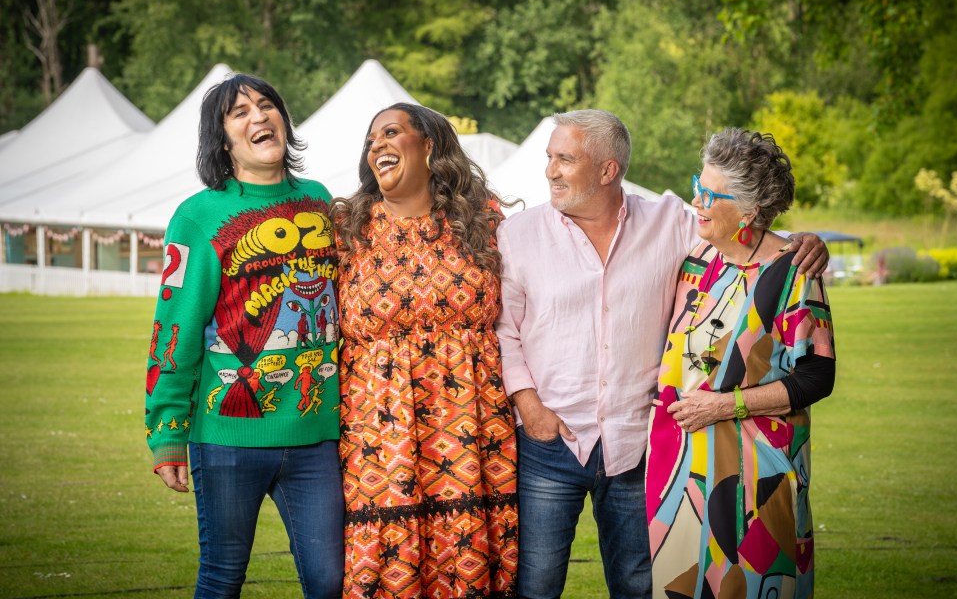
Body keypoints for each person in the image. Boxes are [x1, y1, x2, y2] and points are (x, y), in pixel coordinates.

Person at [494, 110, 827, 599]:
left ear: (608, 170)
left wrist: (806, 242)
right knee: (536, 584)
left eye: (564, 159)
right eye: (550, 158)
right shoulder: (517, 234)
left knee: (638, 585)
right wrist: (529, 408)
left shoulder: (672, 223)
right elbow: (504, 332)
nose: (550, 170)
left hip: (640, 446)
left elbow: (745, 236)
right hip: (550, 444)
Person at [144, 74, 343, 598]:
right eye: (240, 112)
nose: (259, 116)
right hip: (226, 437)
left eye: (267, 104)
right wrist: (166, 430)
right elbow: (175, 327)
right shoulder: (198, 215)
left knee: (332, 582)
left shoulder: (321, 201)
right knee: (222, 579)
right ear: (223, 138)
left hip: (315, 436)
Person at [333, 102, 519, 597]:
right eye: (371, 140)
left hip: (471, 430)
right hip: (379, 434)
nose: (377, 146)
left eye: (391, 133)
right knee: (386, 564)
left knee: (466, 562)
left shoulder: (485, 221)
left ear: (430, 145)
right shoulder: (346, 228)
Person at [645, 129, 835, 598]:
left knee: (750, 583)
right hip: (678, 470)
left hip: (755, 470)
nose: (697, 200)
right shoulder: (697, 257)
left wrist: (723, 406)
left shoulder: (794, 271)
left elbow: (817, 375)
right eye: (697, 184)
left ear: (749, 210)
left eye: (711, 194)